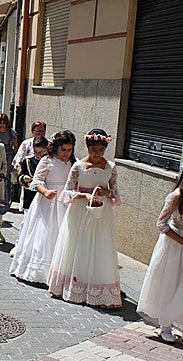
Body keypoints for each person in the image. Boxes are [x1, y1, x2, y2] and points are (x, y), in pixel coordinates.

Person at [137, 154, 183, 349]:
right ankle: (165, 324)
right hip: (175, 243)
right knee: (170, 282)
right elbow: (161, 223)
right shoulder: (177, 196)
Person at [48, 129, 122, 309]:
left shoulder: (110, 168)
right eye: (93, 149)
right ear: (88, 148)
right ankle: (73, 285)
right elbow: (66, 193)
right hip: (80, 211)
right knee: (78, 245)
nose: (97, 154)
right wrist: (83, 195)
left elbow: (116, 195)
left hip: (101, 213)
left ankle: (99, 289)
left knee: (100, 247)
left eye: (101, 149)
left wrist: (107, 192)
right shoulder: (78, 166)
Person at [9, 132, 73, 284]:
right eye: (63, 149)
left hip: (64, 202)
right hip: (47, 203)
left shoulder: (72, 162)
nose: (66, 153)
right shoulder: (47, 161)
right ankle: (40, 270)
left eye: (69, 150)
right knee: (45, 235)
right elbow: (36, 181)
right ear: (56, 148)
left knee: (62, 234)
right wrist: (45, 191)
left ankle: (60, 270)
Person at [0, 113, 18, 181]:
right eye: (0, 122)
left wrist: (16, 159)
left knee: (6, 174)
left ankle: (6, 191)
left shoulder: (11, 132)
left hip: (8, 155)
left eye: (4, 122)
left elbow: (16, 146)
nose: (2, 124)